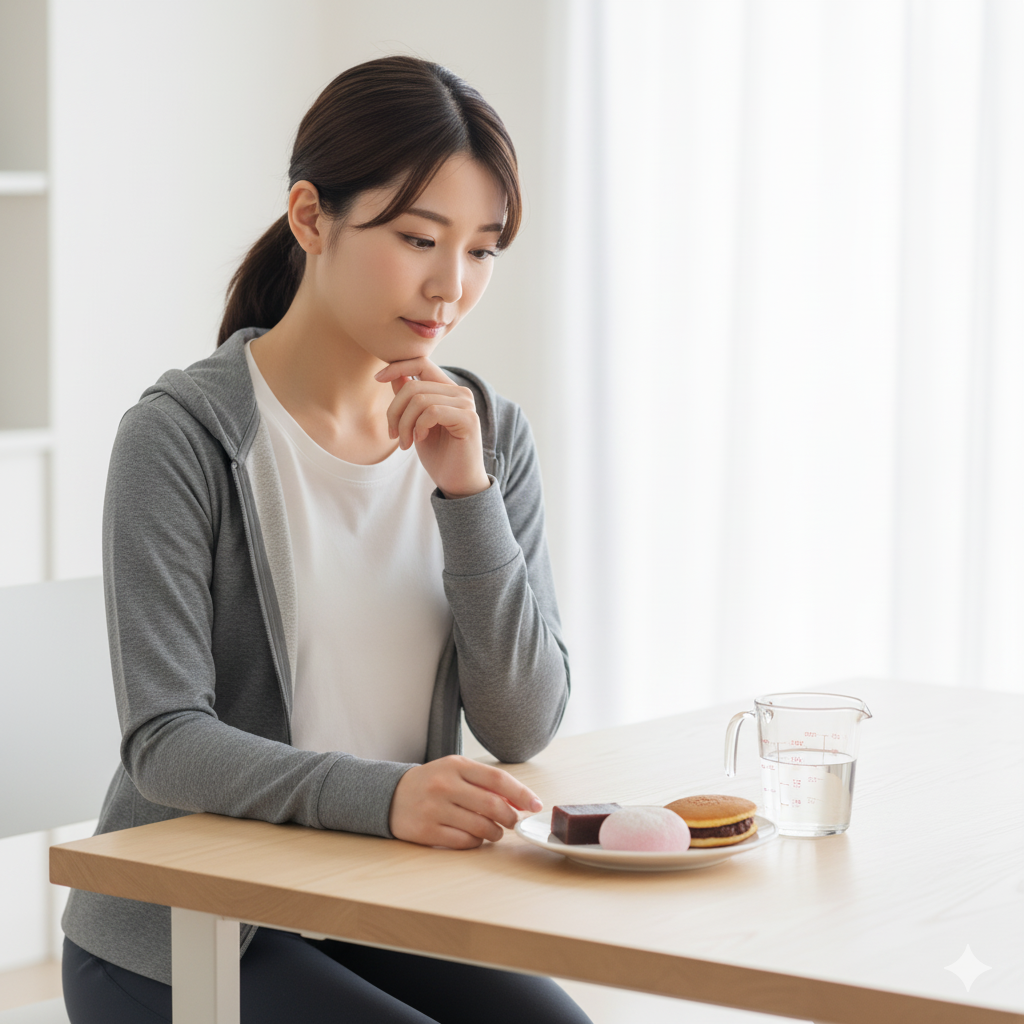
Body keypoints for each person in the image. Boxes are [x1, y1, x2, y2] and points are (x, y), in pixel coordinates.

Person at [60, 55, 589, 1024]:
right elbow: (165, 741)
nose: (451, 286)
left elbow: (522, 721)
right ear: (311, 217)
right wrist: (386, 797)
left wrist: (465, 491)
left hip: (376, 904)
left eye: (481, 249)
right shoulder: (184, 435)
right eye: (419, 238)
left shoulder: (488, 434)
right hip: (184, 928)